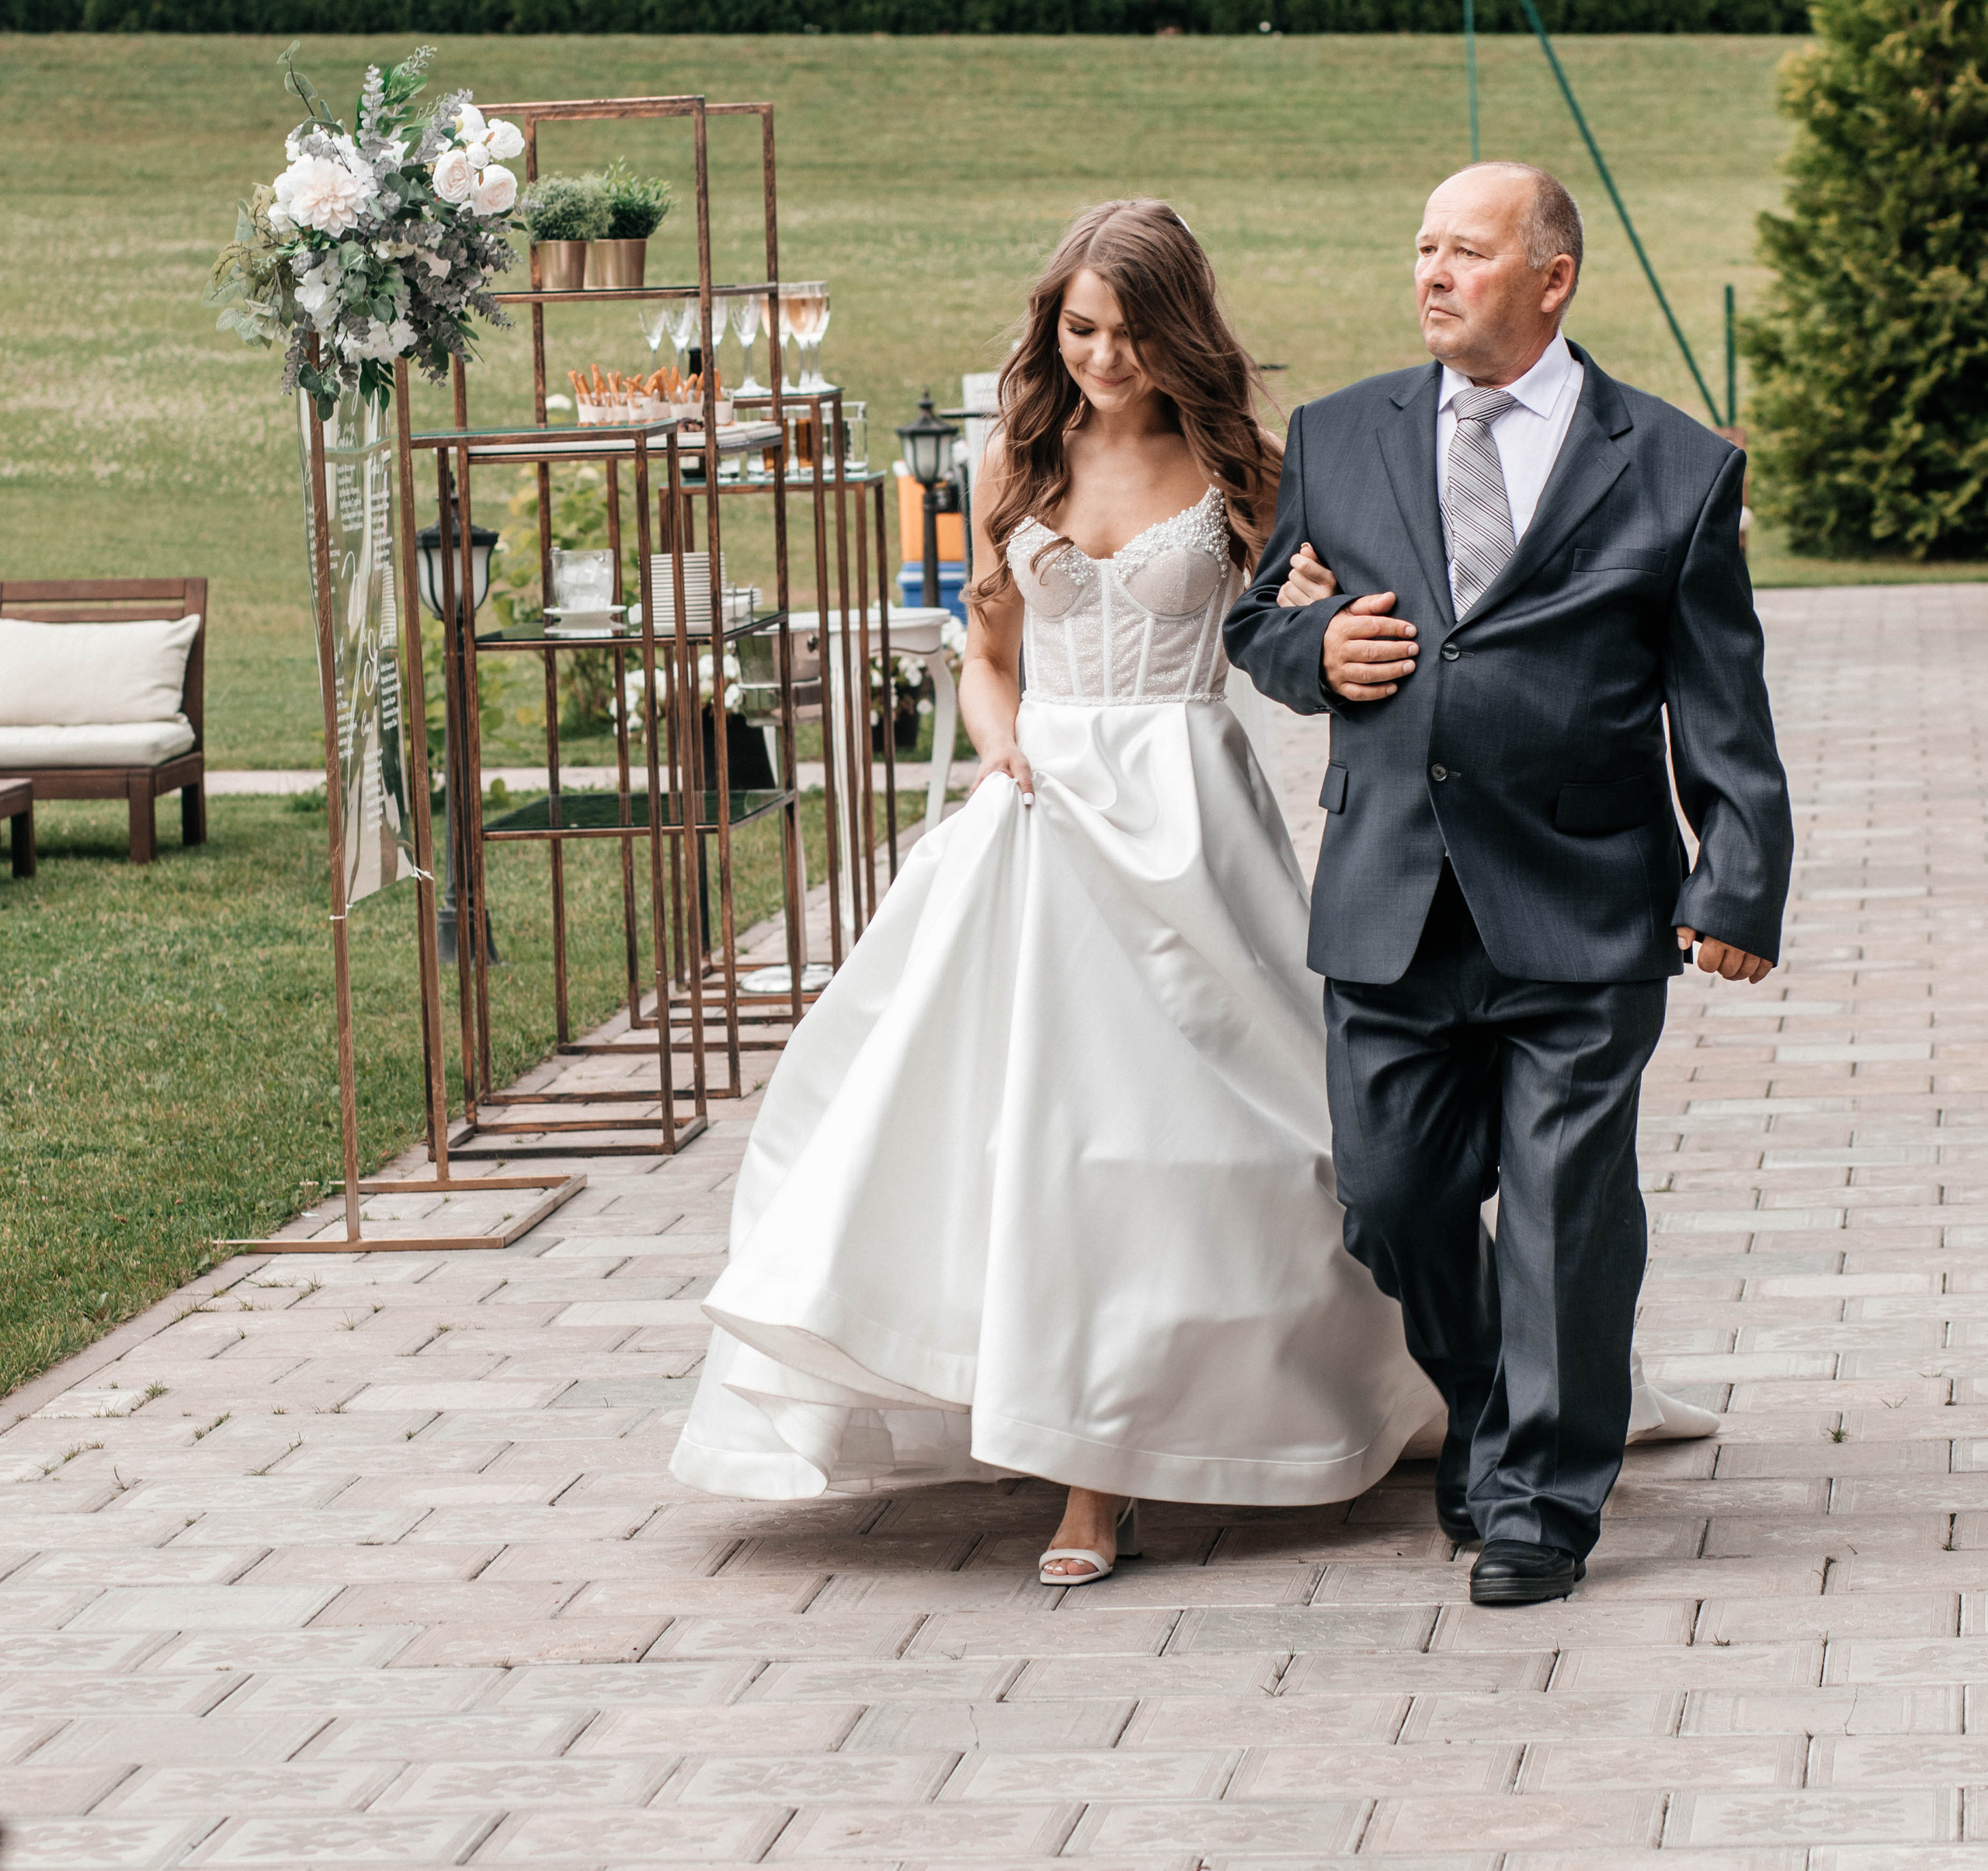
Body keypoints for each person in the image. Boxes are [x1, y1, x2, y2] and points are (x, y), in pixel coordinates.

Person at [669, 200, 1438, 1576]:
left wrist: (1324, 608)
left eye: (1131, 332)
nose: (1102, 358)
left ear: (1178, 330)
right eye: (1081, 329)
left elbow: (1288, 619)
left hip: (1191, 816)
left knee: (1252, 1126)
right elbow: (989, 651)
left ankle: (1394, 1373)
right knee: (1037, 1133)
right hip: (1039, 814)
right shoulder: (1016, 463)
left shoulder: (1240, 466)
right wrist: (998, 735)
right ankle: (1085, 1466)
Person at [1226, 162, 1793, 1609]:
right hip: (1392, 897)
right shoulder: (1341, 436)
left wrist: (1736, 878)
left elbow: (1719, 699)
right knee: (1394, 1198)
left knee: (1559, 1202)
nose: (1431, 272)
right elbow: (1255, 619)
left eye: (1466, 251)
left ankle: (1544, 1492)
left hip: (1586, 900)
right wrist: (1313, 658)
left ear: (1552, 276)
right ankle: (1482, 1401)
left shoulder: (1670, 464)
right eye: (1422, 246)